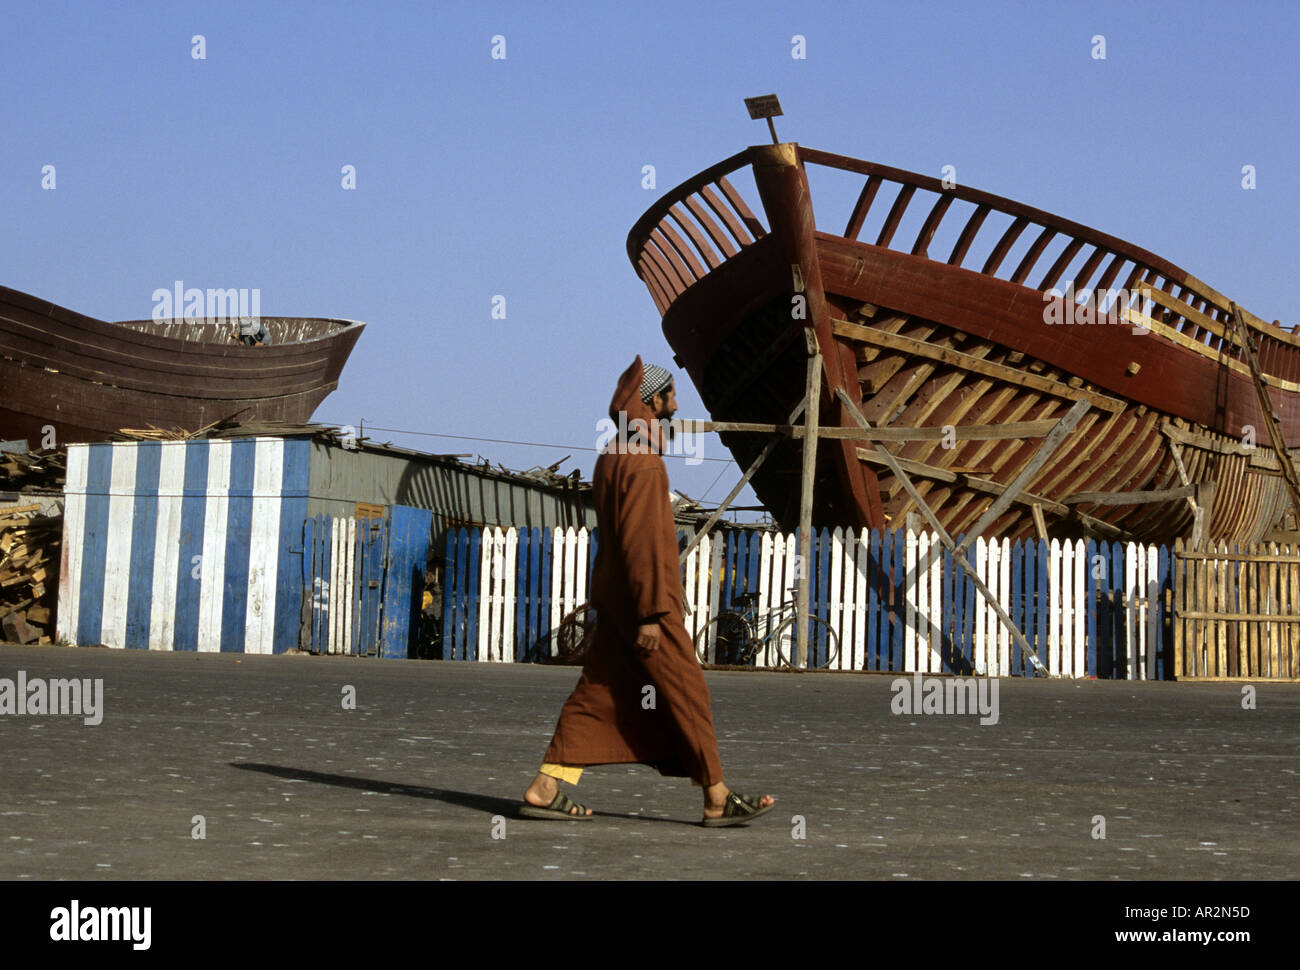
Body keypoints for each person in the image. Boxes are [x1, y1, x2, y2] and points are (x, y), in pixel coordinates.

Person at [521, 357, 775, 827]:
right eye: (669, 396)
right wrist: (653, 613)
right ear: (649, 402)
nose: (675, 406)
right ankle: (716, 797)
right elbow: (643, 544)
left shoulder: (613, 455)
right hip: (643, 603)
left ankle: (545, 785)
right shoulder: (644, 465)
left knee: (598, 694)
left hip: (617, 599)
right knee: (686, 690)